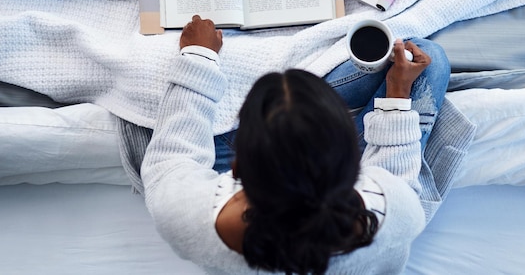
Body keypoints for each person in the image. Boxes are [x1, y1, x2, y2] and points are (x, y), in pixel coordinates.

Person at [141, 15, 473, 275]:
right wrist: (396, 96)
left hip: (279, 175)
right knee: (432, 58)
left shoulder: (184, 217)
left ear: (237, 168)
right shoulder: (398, 213)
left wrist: (198, 57)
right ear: (354, 162)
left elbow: (171, 159)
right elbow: (394, 174)